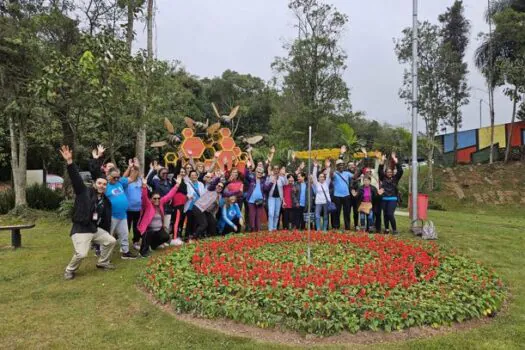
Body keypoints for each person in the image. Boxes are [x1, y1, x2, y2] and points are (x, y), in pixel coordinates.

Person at [60, 145, 117, 280]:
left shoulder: (104, 200)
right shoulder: (83, 192)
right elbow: (75, 177)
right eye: (99, 183)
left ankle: (102, 263)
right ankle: (69, 269)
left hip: (93, 229)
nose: (102, 185)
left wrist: (105, 230)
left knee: (111, 241)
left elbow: (104, 218)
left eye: (104, 184)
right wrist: (69, 162)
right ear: (94, 184)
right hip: (81, 229)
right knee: (81, 254)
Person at [137, 176, 182, 256]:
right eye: (154, 198)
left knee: (166, 237)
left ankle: (153, 245)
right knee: (149, 233)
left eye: (158, 198)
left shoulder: (161, 203)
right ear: (150, 199)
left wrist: (177, 185)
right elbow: (144, 197)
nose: (157, 200)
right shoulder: (148, 205)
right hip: (148, 229)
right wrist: (144, 186)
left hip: (158, 230)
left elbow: (169, 195)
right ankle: (143, 252)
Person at [106, 161, 137, 259]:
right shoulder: (105, 186)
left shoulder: (120, 182)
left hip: (122, 215)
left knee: (124, 234)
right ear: (108, 175)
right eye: (114, 177)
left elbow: (132, 178)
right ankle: (105, 256)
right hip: (111, 215)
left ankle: (125, 252)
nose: (116, 179)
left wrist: (135, 168)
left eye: (118, 177)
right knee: (108, 236)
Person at [191, 175, 224, 240]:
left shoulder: (219, 196)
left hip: (205, 210)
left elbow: (218, 206)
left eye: (221, 187)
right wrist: (219, 177)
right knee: (204, 224)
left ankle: (213, 237)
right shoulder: (211, 189)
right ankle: (193, 238)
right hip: (198, 207)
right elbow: (214, 183)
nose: (219, 187)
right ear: (216, 186)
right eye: (218, 186)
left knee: (213, 221)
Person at [378, 153, 404, 235]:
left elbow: (400, 171)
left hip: (392, 199)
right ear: (385, 173)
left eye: (390, 172)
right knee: (385, 215)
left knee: (390, 213)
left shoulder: (395, 179)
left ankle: (395, 230)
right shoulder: (383, 178)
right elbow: (380, 171)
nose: (389, 173)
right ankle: (386, 229)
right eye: (387, 172)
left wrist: (396, 162)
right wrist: (382, 162)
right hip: (384, 199)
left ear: (392, 173)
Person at [147, 162, 174, 232]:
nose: (165, 175)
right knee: (157, 225)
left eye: (166, 173)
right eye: (163, 173)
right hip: (157, 207)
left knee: (166, 225)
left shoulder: (169, 183)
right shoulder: (156, 182)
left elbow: (172, 192)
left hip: (168, 207)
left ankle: (165, 239)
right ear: (159, 174)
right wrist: (154, 170)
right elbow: (148, 181)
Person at [331, 146, 353, 230]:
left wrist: (358, 168)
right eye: (339, 165)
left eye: (342, 165)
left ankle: (347, 227)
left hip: (346, 195)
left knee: (347, 212)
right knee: (337, 212)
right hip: (337, 196)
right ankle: (336, 226)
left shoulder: (347, 173)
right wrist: (333, 163)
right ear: (337, 166)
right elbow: (331, 175)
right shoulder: (335, 173)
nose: (341, 166)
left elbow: (354, 176)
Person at [245, 163, 269, 232]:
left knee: (258, 216)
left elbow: (266, 189)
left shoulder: (263, 181)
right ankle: (252, 229)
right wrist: (248, 166)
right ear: (255, 172)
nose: (259, 173)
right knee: (252, 216)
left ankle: (258, 230)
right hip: (251, 201)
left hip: (260, 201)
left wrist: (272, 183)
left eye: (261, 173)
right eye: (258, 172)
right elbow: (246, 174)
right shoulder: (251, 179)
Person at [125, 162, 142, 251]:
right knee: (126, 228)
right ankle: (124, 244)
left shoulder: (140, 180)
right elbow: (122, 178)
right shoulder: (126, 181)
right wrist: (129, 167)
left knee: (137, 227)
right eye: (132, 171)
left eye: (135, 171)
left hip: (138, 209)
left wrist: (137, 167)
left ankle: (136, 241)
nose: (134, 172)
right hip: (128, 209)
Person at [312, 159, 331, 231]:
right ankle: (318, 229)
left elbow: (328, 174)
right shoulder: (317, 184)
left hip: (326, 202)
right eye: (320, 177)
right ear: (318, 178)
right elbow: (313, 175)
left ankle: (325, 229)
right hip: (318, 202)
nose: (322, 178)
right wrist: (315, 166)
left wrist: (328, 167)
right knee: (317, 216)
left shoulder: (327, 183)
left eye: (323, 177)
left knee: (326, 216)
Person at [265, 164, 286, 231]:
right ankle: (270, 228)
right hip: (271, 197)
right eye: (275, 169)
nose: (276, 170)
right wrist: (270, 178)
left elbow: (286, 183)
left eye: (277, 169)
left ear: (279, 170)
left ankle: (274, 228)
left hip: (279, 198)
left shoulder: (281, 178)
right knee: (271, 213)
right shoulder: (270, 177)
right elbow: (266, 184)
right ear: (273, 170)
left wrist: (284, 174)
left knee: (277, 214)